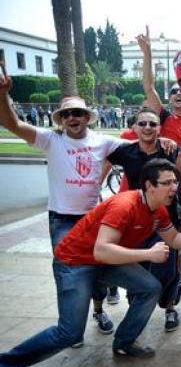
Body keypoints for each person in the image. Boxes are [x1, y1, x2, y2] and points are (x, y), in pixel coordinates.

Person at [0, 159, 181, 367]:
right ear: (149, 185)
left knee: (149, 287)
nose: (174, 187)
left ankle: (124, 342)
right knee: (69, 333)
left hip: (104, 261)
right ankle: (4, 366)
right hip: (75, 262)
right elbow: (101, 250)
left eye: (175, 182)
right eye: (167, 183)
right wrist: (147, 254)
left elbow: (174, 240)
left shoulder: (158, 209)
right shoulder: (125, 205)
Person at [0, 64, 119, 343]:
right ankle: (71, 325)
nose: (72, 117)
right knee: (68, 278)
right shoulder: (50, 140)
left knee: (98, 270)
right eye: (67, 114)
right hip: (62, 221)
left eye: (78, 112)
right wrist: (3, 94)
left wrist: (162, 138)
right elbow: (12, 125)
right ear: (61, 119)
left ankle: (98, 310)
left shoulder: (103, 142)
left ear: (87, 117)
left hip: (93, 220)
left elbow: (139, 145)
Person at [106, 108, 181, 332]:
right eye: (142, 124)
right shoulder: (125, 151)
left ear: (159, 128)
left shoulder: (169, 149)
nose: (148, 128)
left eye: (153, 124)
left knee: (168, 270)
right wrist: (94, 191)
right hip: (135, 223)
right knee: (136, 270)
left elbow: (179, 174)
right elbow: (102, 159)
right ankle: (135, 313)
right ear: (134, 128)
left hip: (165, 220)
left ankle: (169, 307)